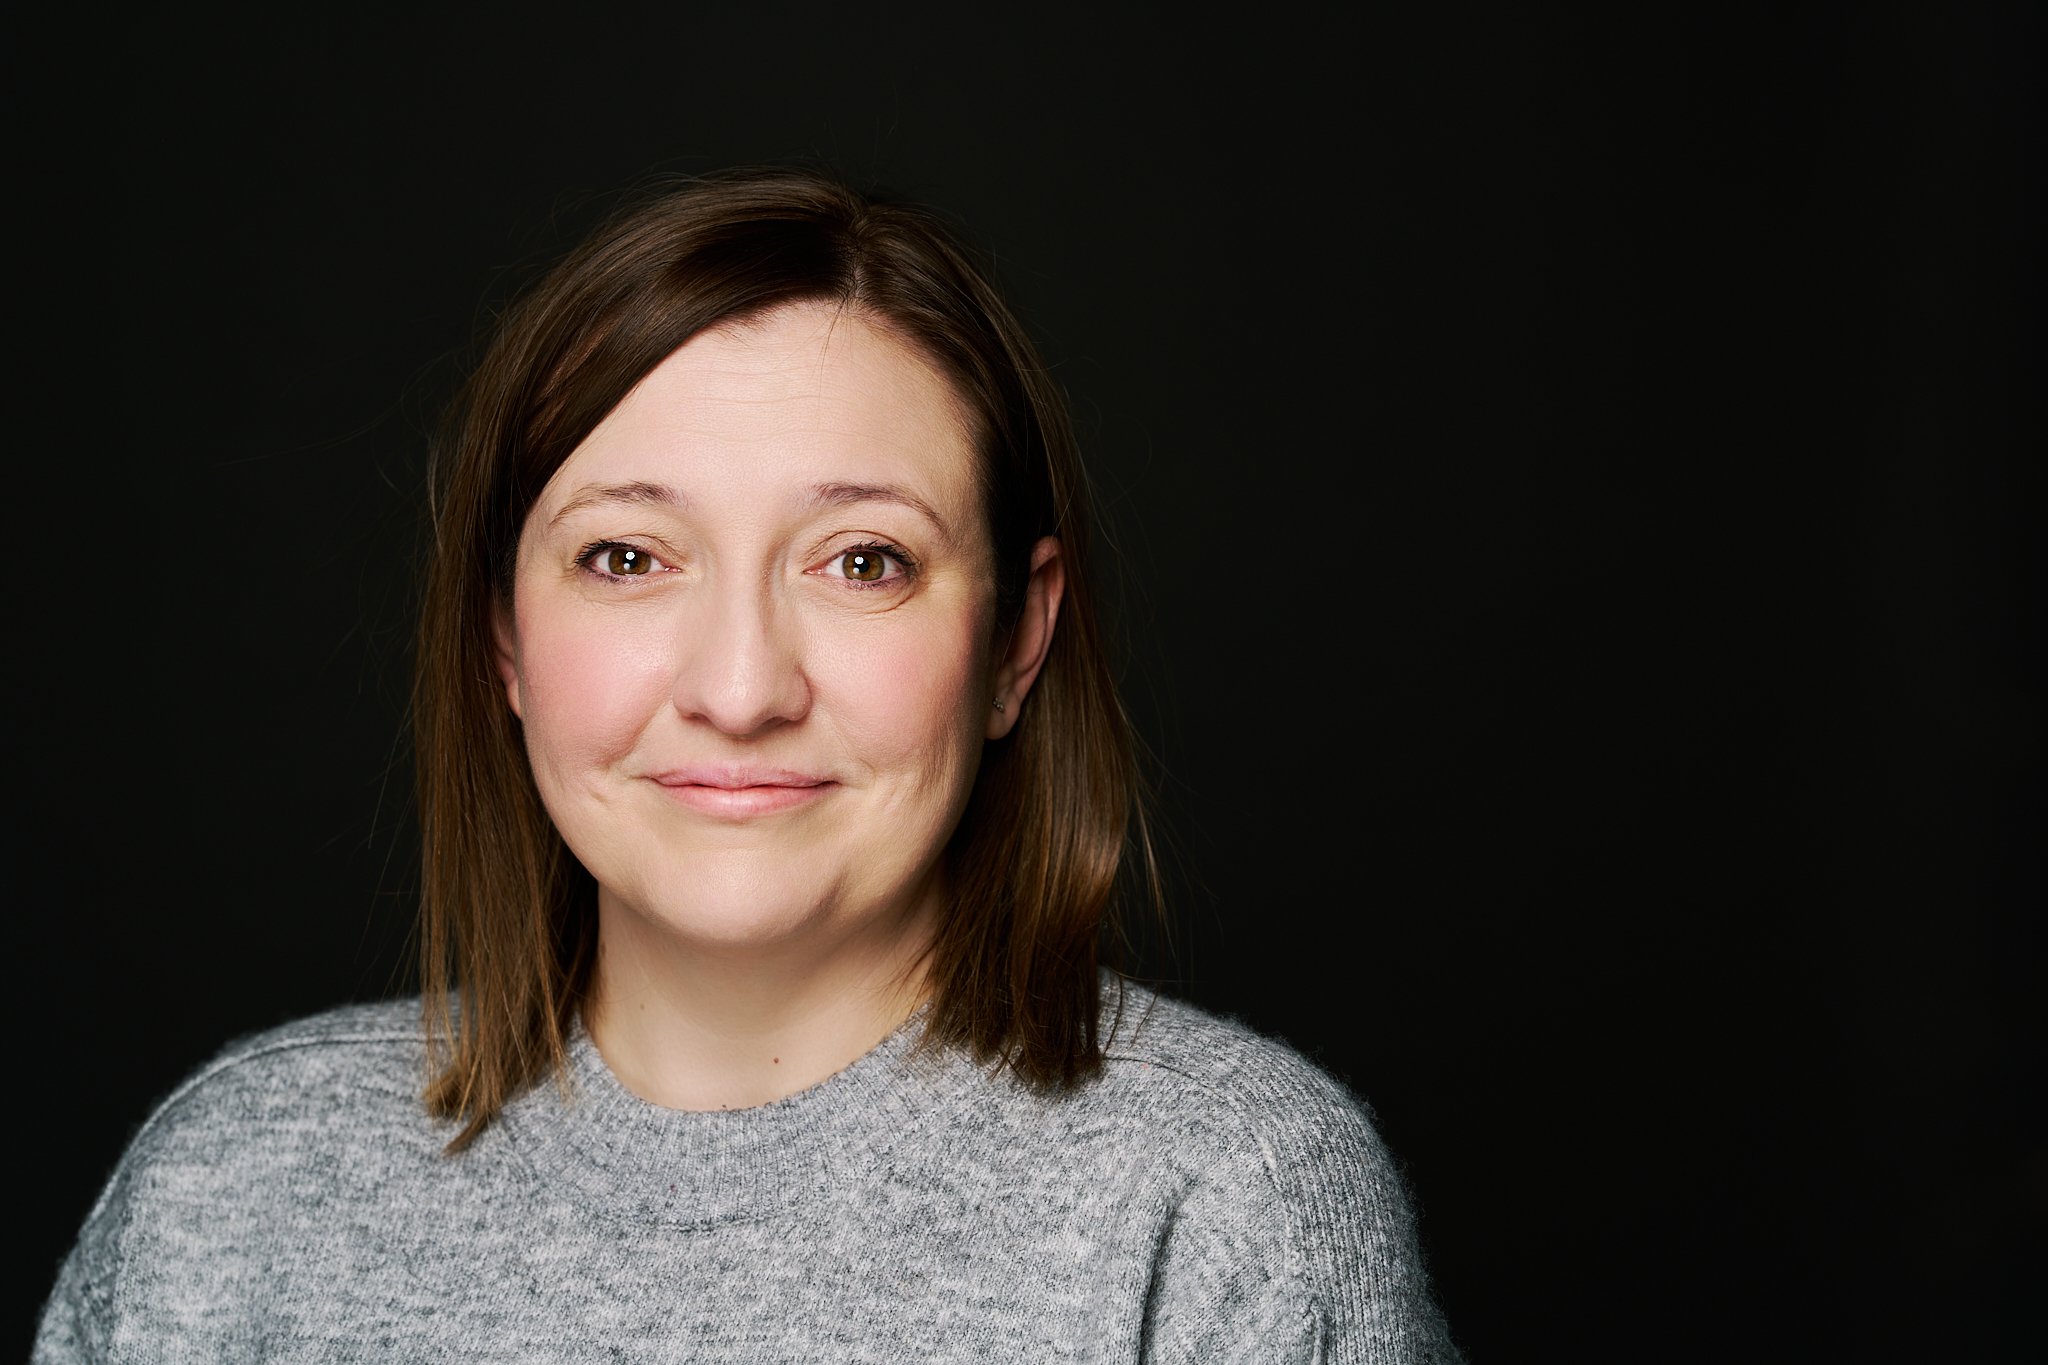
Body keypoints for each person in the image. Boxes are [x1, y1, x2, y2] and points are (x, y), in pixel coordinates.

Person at [33, 165, 1463, 1363]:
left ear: (1017, 643)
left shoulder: (1229, 1207)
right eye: (627, 557)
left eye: (862, 561)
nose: (739, 689)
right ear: (505, 642)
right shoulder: (231, 1192)